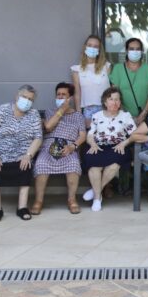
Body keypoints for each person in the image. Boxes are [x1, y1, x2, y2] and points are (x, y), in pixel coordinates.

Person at [0, 85, 43, 222]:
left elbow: (38, 138)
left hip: (22, 154)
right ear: (17, 96)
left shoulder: (34, 114)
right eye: (25, 97)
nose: (27, 101)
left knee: (26, 165)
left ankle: (22, 207)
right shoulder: (3, 110)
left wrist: (28, 155)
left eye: (30, 99)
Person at [32, 82, 86, 216]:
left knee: (73, 164)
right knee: (41, 164)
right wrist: (61, 110)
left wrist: (72, 146)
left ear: (70, 98)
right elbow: (48, 127)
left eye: (64, 95)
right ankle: (38, 201)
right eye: (58, 95)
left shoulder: (78, 116)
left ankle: (72, 200)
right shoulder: (49, 112)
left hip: (69, 147)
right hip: (48, 146)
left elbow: (83, 135)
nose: (60, 97)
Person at [83, 87, 137, 211]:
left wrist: (125, 143)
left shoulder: (125, 116)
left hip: (118, 147)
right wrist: (93, 144)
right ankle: (98, 196)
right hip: (98, 146)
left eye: (117, 99)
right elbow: (90, 134)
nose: (114, 102)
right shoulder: (97, 116)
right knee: (94, 165)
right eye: (111, 99)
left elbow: (135, 134)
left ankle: (96, 194)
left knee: (114, 164)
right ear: (105, 102)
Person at [109, 37, 148, 125]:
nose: (135, 51)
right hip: (121, 116)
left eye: (138, 49)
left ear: (142, 51)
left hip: (146, 116)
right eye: (131, 49)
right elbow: (114, 95)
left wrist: (143, 115)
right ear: (126, 51)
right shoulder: (118, 68)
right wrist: (125, 116)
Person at [71, 35, 111, 128]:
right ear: (85, 47)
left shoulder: (107, 67)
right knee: (90, 139)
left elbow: (113, 89)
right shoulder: (77, 70)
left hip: (106, 108)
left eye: (96, 46)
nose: (92, 48)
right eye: (90, 45)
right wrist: (79, 115)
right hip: (88, 111)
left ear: (99, 50)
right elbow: (77, 94)